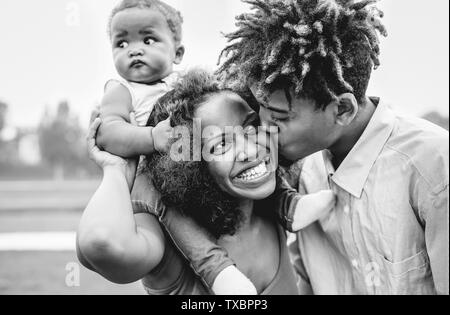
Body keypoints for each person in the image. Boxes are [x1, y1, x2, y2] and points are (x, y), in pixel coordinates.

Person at [156, 0, 449, 295]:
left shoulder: (433, 167)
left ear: (342, 110)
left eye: (280, 117)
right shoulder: (302, 171)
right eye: (260, 112)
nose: (265, 128)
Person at [77, 70, 301, 295]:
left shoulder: (277, 204)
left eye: (251, 128)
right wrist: (116, 170)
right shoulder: (166, 241)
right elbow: (101, 242)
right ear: (192, 167)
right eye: (220, 145)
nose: (250, 151)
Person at [96, 0, 184, 158]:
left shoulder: (185, 83)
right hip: (146, 174)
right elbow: (107, 133)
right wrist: (151, 137)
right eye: (122, 44)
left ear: (177, 53)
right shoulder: (122, 91)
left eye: (148, 41)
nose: (134, 50)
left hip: (192, 164)